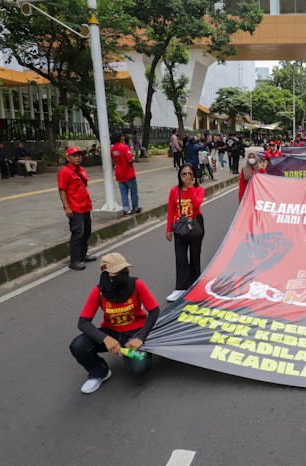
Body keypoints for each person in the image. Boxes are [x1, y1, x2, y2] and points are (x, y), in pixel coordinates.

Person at [69, 252, 159, 394]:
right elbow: (83, 323)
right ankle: (100, 372)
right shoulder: (98, 291)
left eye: (125, 270)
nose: (123, 274)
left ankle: (128, 354)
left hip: (135, 332)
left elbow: (154, 311)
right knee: (78, 346)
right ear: (106, 274)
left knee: (139, 370)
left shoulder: (136, 284)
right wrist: (105, 338)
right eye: (117, 272)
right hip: (111, 332)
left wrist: (140, 338)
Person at [166, 164, 206, 302]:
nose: (187, 177)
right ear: (179, 176)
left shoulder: (199, 189)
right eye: (184, 174)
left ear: (194, 176)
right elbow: (171, 210)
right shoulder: (174, 190)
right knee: (180, 258)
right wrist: (168, 229)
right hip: (180, 227)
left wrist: (190, 189)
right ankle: (180, 288)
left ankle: (195, 286)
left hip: (195, 224)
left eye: (190, 174)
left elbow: (196, 205)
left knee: (195, 256)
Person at [58, 147, 96, 270]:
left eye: (79, 155)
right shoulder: (64, 172)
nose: (78, 157)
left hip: (85, 206)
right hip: (75, 208)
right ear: (68, 157)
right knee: (77, 233)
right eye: (74, 155)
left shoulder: (80, 170)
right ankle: (74, 261)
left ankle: (82, 255)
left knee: (86, 232)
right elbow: (62, 191)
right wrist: (67, 207)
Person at [110, 131, 141, 216]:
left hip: (119, 174)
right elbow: (129, 160)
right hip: (128, 173)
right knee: (133, 192)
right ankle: (135, 207)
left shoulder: (112, 149)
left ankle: (126, 209)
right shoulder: (124, 147)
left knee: (123, 193)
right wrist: (133, 157)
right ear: (121, 138)